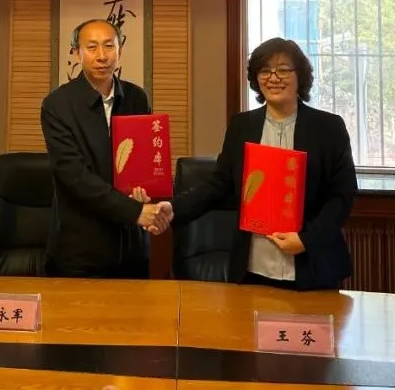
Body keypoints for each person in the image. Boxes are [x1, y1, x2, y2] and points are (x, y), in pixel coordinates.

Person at [159, 37, 358, 290]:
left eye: (283, 70)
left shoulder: (328, 127)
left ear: (300, 76)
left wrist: (306, 240)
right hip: (254, 266)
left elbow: (341, 195)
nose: (273, 78)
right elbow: (219, 184)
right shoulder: (242, 125)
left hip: (312, 263)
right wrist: (173, 207)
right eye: (265, 71)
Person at [40, 18, 166, 279]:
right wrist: (134, 212)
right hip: (81, 247)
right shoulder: (57, 104)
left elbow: (142, 162)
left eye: (109, 46)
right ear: (77, 53)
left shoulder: (136, 97)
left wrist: (147, 193)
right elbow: (74, 175)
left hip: (131, 246)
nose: (102, 56)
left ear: (120, 50)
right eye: (92, 47)